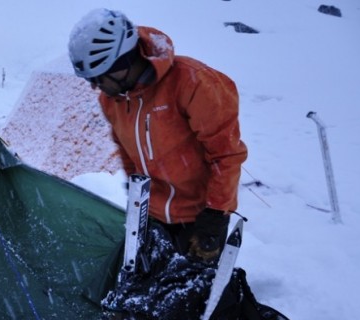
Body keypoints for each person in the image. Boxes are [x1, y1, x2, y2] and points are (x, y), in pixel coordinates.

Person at [68, 9, 247, 261]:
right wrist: (135, 194)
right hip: (151, 216)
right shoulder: (112, 100)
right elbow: (127, 152)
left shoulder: (192, 82)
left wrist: (216, 213)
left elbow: (226, 153)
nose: (95, 86)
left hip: (200, 217)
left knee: (196, 296)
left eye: (99, 77)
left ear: (123, 65)